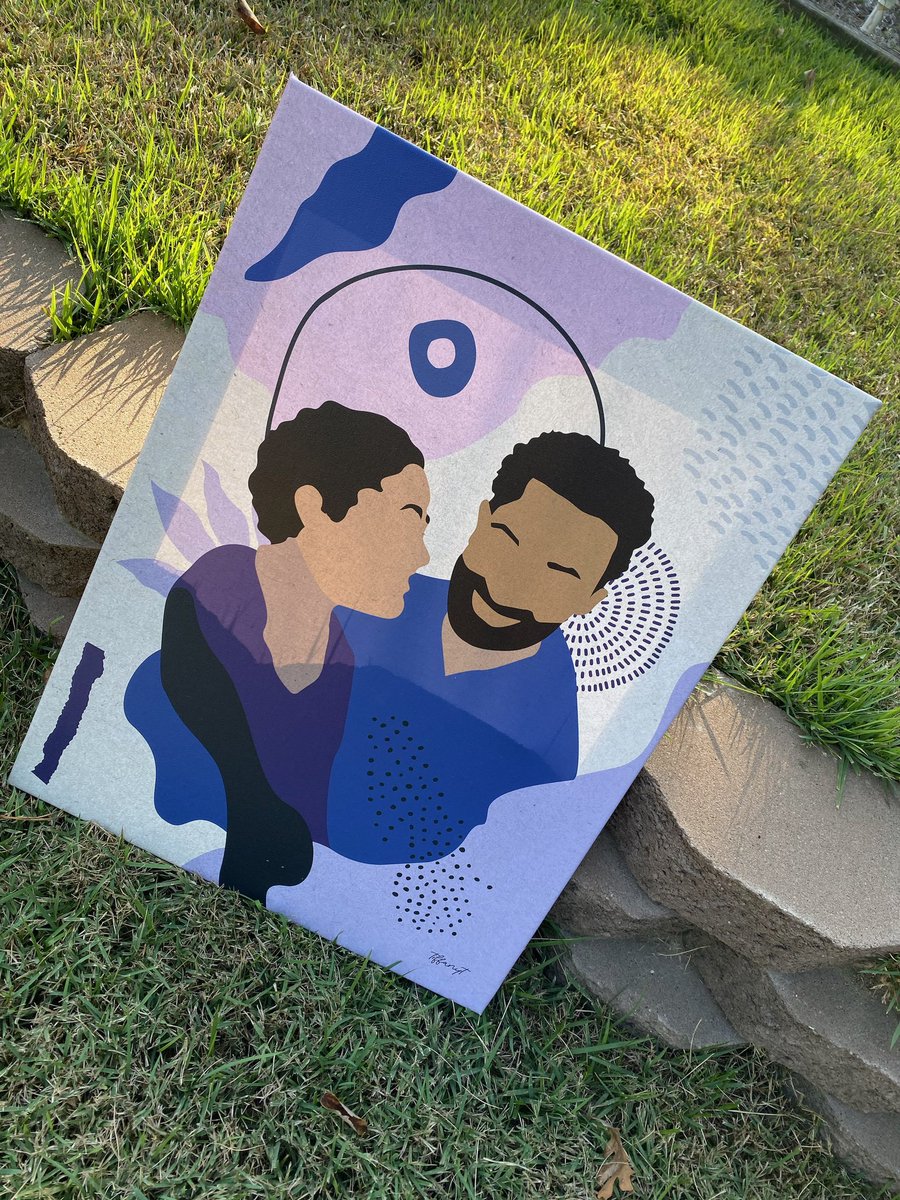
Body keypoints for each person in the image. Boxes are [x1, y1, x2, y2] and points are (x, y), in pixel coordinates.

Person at [125, 401, 430, 901]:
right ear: (313, 507)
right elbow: (258, 808)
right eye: (407, 519)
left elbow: (305, 816)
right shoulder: (218, 589)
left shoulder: (341, 659)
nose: (421, 553)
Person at [327, 431, 655, 865]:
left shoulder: (548, 740)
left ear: (591, 598)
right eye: (508, 537)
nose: (506, 586)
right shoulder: (367, 602)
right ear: (481, 522)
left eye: (559, 572)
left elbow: (494, 861)